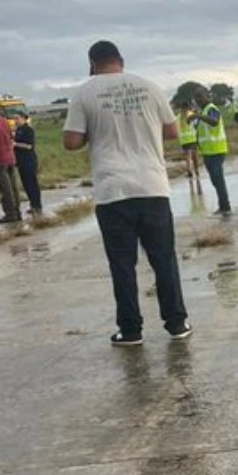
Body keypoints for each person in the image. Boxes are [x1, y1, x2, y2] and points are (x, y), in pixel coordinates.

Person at [63, 40, 191, 346]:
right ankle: (176, 322)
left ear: (92, 63)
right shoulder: (150, 87)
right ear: (121, 61)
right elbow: (172, 131)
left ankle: (131, 329)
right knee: (163, 259)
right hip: (152, 186)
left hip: (113, 189)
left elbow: (71, 141)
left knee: (122, 264)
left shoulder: (84, 92)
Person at [194, 87, 232, 216]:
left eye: (200, 96)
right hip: (207, 152)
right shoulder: (203, 111)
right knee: (215, 180)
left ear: (207, 96)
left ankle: (225, 206)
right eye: (196, 97)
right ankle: (223, 205)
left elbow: (214, 122)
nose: (197, 99)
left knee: (218, 179)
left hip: (216, 150)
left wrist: (198, 116)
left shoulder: (211, 108)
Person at [12, 111, 42, 215]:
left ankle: (37, 205)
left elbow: (29, 146)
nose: (15, 121)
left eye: (17, 118)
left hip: (28, 160)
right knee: (25, 184)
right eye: (14, 119)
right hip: (20, 161)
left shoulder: (28, 130)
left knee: (32, 183)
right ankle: (32, 204)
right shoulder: (18, 130)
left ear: (23, 119)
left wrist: (16, 144)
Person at [176, 100, 202, 191]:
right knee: (195, 156)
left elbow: (177, 128)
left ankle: (189, 171)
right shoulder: (191, 114)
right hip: (192, 138)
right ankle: (196, 171)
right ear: (188, 107)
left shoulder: (178, 117)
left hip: (184, 139)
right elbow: (196, 125)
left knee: (188, 156)